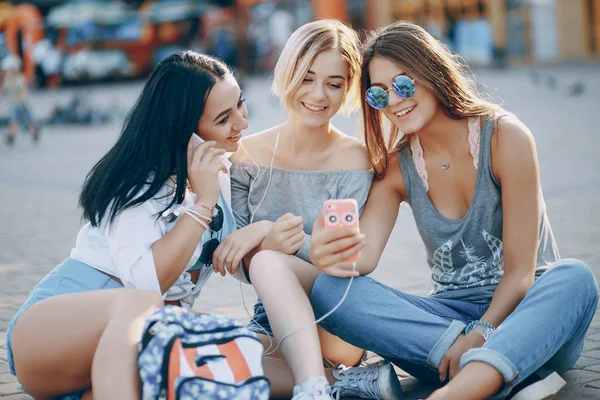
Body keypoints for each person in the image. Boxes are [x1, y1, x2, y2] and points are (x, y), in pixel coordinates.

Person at [308, 21, 599, 400]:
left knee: (575, 277)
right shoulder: (398, 168)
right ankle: (501, 378)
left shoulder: (505, 136)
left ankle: (460, 389)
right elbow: (360, 261)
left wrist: (481, 334)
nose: (394, 102)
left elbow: (522, 274)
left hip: (532, 315)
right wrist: (321, 248)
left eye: (403, 84)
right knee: (330, 289)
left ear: (431, 72)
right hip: (445, 330)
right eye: (379, 96)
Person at [5, 51, 248, 400]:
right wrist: (203, 203)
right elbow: (147, 284)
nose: (242, 124)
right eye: (224, 118)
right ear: (183, 131)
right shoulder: (137, 185)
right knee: (140, 305)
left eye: (241, 105)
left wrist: (259, 231)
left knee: (238, 354)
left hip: (123, 349)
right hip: (51, 331)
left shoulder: (222, 170)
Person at [224, 19, 401, 399]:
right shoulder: (245, 155)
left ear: (348, 88)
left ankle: (315, 387)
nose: (318, 95)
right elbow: (234, 259)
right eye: (306, 77)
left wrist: (268, 239)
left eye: (334, 83)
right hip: (270, 319)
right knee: (213, 361)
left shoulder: (354, 159)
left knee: (269, 265)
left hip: (336, 317)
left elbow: (341, 259)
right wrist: (261, 238)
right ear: (287, 73)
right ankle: (351, 383)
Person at [2, 54, 39, 146]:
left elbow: (24, 90)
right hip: (14, 105)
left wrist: (24, 99)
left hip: (21, 104)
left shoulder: (19, 79)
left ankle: (33, 133)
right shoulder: (7, 80)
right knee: (15, 121)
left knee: (25, 121)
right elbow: (3, 90)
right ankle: (12, 136)